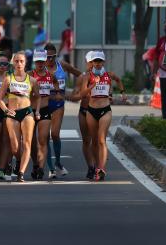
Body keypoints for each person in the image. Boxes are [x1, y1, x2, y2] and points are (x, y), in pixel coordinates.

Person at [71, 51, 124, 181]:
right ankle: (95, 167)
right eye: (95, 61)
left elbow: (118, 79)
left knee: (101, 139)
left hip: (105, 110)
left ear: (103, 62)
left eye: (100, 61)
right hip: (91, 110)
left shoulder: (108, 74)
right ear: (92, 63)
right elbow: (82, 94)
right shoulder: (87, 76)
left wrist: (122, 92)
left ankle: (101, 168)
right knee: (93, 141)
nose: (97, 64)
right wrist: (92, 85)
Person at [0, 52, 40, 182]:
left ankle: (21, 173)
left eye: (21, 61)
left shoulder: (32, 80)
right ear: (13, 63)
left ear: (25, 63)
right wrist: (5, 110)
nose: (19, 63)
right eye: (16, 61)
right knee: (15, 147)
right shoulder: (8, 78)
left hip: (27, 113)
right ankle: (20, 160)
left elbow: (38, 96)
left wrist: (36, 111)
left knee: (27, 144)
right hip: (13, 114)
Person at [44, 43, 82, 177]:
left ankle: (58, 163)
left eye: (52, 57)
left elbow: (81, 75)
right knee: (44, 137)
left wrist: (77, 90)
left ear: (56, 56)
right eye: (47, 57)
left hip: (58, 104)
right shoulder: (39, 68)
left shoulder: (62, 65)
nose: (49, 60)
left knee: (54, 134)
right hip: (43, 104)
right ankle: (51, 168)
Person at [30, 49, 59, 181]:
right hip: (30, 111)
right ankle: (35, 164)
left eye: (42, 61)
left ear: (46, 61)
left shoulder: (51, 76)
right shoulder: (29, 75)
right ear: (34, 61)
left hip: (45, 109)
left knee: (43, 140)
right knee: (31, 141)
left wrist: (56, 94)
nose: (40, 63)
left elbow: (57, 89)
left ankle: (41, 168)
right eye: (38, 61)